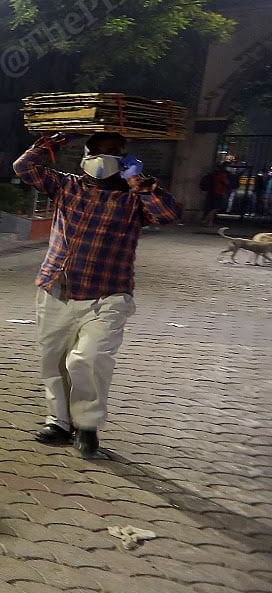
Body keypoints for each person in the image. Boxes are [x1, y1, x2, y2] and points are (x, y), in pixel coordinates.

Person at [15, 131, 181, 458]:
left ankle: (87, 425)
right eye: (98, 150)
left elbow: (168, 215)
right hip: (59, 287)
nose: (105, 157)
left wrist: (138, 180)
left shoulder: (136, 196)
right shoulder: (67, 185)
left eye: (114, 152)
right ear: (86, 154)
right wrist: (45, 146)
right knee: (54, 360)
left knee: (88, 359)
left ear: (125, 159)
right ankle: (59, 421)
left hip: (108, 293)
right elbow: (24, 168)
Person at [201, 162, 230, 227]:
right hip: (219, 192)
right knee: (215, 208)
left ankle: (207, 221)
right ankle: (207, 220)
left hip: (214, 192)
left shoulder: (216, 173)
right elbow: (227, 183)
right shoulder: (222, 174)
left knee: (213, 207)